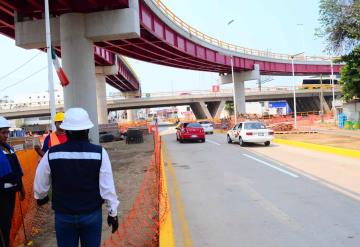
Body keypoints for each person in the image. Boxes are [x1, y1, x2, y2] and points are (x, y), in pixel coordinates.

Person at [34, 108, 119, 247]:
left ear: (66, 129)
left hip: (64, 215)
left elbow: (40, 180)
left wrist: (41, 197)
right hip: (91, 214)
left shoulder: (51, 153)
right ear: (87, 129)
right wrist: (112, 212)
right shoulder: (99, 153)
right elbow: (107, 187)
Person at [0, 116, 25, 247]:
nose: (6, 135)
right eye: (3, 132)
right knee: (2, 224)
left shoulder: (8, 148)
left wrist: (21, 188)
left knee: (7, 223)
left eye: (7, 132)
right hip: (1, 194)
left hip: (11, 192)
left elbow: (17, 169)